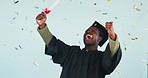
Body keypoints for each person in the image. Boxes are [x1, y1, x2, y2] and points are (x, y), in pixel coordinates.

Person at [36, 12, 122, 78]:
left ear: (99, 39)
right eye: (87, 31)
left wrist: (112, 36)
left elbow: (111, 57)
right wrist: (42, 26)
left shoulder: (101, 59)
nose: (88, 32)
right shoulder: (71, 53)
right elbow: (53, 44)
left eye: (93, 31)